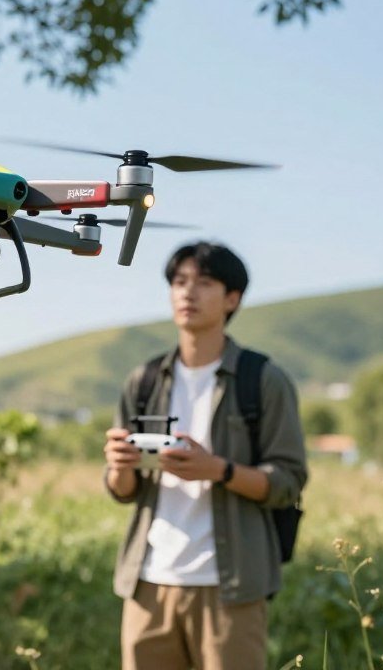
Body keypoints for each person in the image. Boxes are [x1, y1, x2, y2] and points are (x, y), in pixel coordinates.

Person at [104, 241, 307, 670]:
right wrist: (119, 467)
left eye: (204, 283)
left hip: (229, 587)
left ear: (232, 298)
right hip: (148, 582)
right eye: (179, 282)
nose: (187, 293)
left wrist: (217, 470)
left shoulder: (263, 380)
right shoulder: (143, 381)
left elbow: (288, 482)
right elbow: (123, 491)